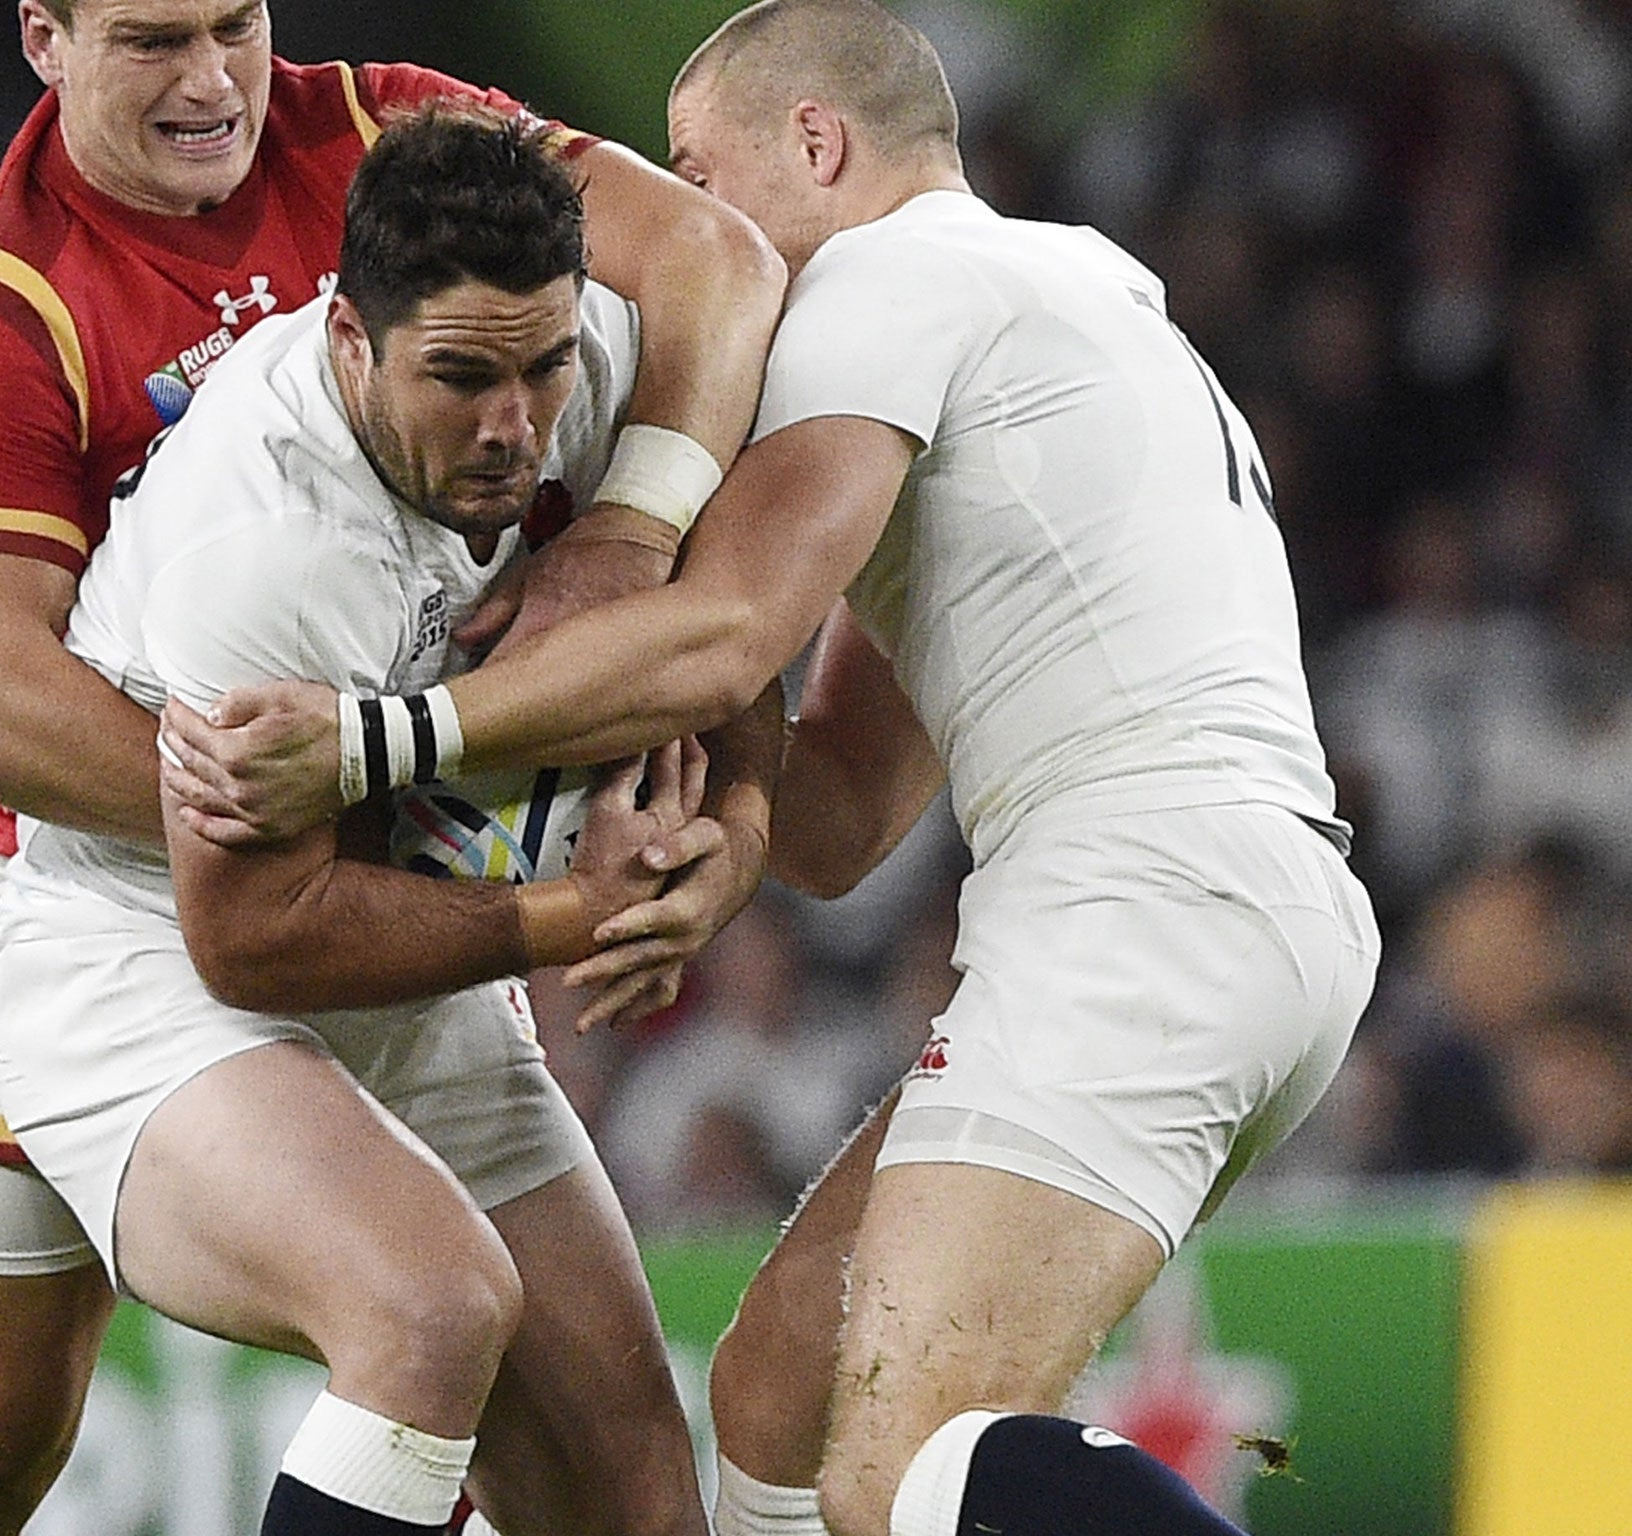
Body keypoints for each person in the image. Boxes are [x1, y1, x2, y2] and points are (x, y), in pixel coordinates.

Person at [159, 5, 1384, 1534]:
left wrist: (386, 738)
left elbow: (727, 632)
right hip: (1249, 913)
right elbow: (841, 816)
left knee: (919, 1461)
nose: (673, 230)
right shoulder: (1073, 291)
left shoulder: (885, 280)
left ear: (817, 146)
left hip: (1139, 907)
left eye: (694, 171)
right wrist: (687, 799)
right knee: (782, 1398)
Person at [0, 0, 785, 1530]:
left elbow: (719, 269)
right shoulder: (11, 308)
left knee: (624, 1493)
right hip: (115, 896)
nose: (216, 80)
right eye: (156, 39)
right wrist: (337, 795)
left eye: (237, 22)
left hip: (372, 850)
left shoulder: (385, 136)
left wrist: (626, 543)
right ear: (45, 39)